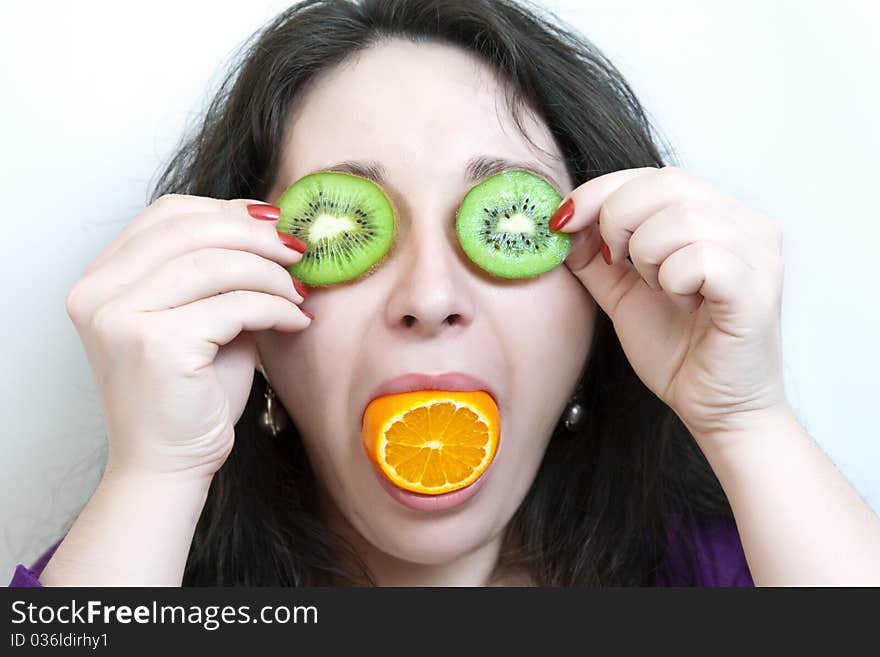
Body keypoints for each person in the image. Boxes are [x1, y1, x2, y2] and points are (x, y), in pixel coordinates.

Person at [10, 0, 880, 587]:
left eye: (506, 221)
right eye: (345, 228)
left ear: (604, 302)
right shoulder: (126, 570)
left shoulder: (728, 575)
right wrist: (155, 471)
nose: (430, 295)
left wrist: (746, 418)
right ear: (250, 319)